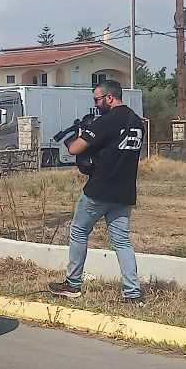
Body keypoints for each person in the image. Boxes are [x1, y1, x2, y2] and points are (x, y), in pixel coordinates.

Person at [50, 81, 144, 302]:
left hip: (99, 189)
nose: (95, 104)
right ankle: (132, 292)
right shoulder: (137, 122)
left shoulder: (106, 121)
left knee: (78, 231)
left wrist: (73, 138)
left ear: (110, 97)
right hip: (124, 191)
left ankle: (73, 284)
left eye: (97, 99)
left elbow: (75, 149)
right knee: (122, 242)